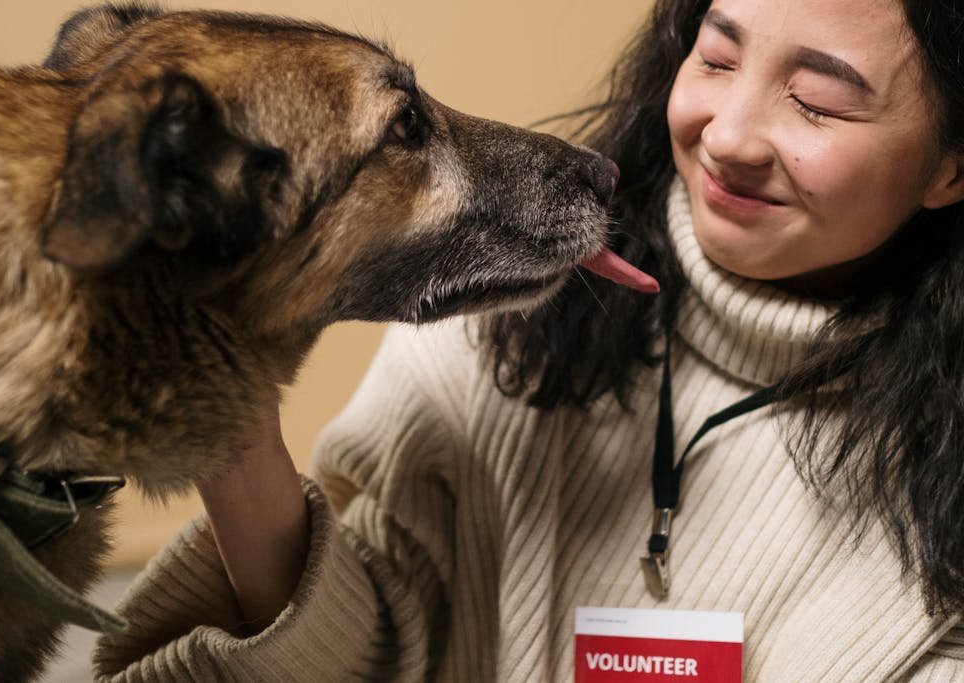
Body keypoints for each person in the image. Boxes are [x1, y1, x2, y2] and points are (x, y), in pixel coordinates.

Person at [93, 0, 964, 680]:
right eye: (717, 57)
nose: (728, 136)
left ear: (949, 163)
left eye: (818, 104)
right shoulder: (502, 318)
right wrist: (228, 414)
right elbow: (362, 659)